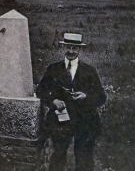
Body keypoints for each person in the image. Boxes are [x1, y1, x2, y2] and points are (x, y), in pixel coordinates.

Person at [37, 32, 106, 171]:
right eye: (68, 47)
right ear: (64, 47)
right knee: (58, 155)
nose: (71, 51)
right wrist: (53, 100)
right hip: (60, 121)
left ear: (79, 49)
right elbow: (40, 91)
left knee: (84, 158)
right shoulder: (54, 69)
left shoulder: (89, 71)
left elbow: (101, 97)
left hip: (85, 121)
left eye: (74, 48)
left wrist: (85, 96)